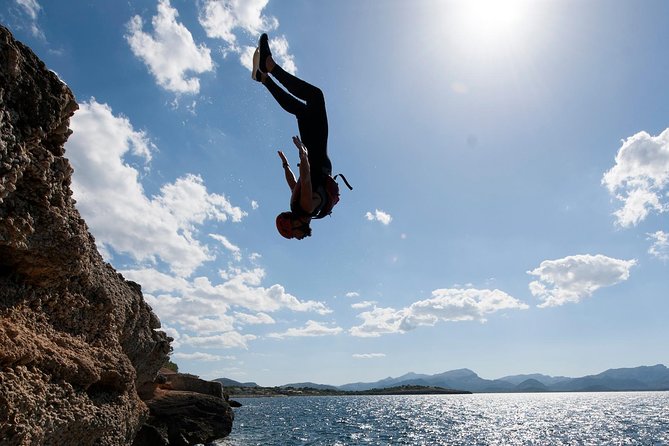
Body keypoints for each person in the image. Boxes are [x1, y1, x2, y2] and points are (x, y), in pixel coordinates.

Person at [252, 33, 332, 240]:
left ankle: (268, 68)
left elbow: (298, 181)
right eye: (290, 221)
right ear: (297, 226)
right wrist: (296, 160)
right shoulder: (304, 207)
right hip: (311, 152)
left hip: (312, 151)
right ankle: (264, 77)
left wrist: (292, 162)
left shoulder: (302, 208)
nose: (290, 216)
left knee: (315, 97)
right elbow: (300, 181)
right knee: (303, 109)